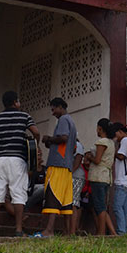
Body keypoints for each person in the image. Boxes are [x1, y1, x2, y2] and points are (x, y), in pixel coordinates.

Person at [0, 90, 41, 237]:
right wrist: (34, 146)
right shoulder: (24, 116)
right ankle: (18, 229)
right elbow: (36, 132)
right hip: (17, 160)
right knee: (18, 193)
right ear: (16, 102)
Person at [33, 97, 77, 238]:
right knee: (65, 200)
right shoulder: (72, 121)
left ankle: (49, 230)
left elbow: (63, 138)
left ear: (60, 107)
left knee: (53, 195)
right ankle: (66, 232)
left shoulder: (63, 120)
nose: (53, 113)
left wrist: (48, 139)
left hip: (58, 164)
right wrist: (52, 143)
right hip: (67, 165)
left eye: (53, 109)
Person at [85, 118, 117, 236]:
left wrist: (89, 157)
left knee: (99, 207)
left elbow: (97, 160)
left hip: (98, 176)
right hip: (106, 176)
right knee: (102, 205)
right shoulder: (111, 143)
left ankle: (101, 232)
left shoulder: (101, 142)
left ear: (100, 128)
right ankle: (112, 232)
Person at [110, 122, 127, 236]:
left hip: (122, 181)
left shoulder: (125, 141)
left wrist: (112, 151)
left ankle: (121, 232)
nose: (115, 138)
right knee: (124, 208)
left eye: (116, 135)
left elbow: (121, 156)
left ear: (120, 131)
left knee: (117, 207)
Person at [68, 136, 88, 236]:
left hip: (76, 176)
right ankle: (69, 230)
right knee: (70, 203)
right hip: (72, 175)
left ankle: (72, 231)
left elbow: (78, 160)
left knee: (74, 203)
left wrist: (70, 173)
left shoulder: (78, 146)